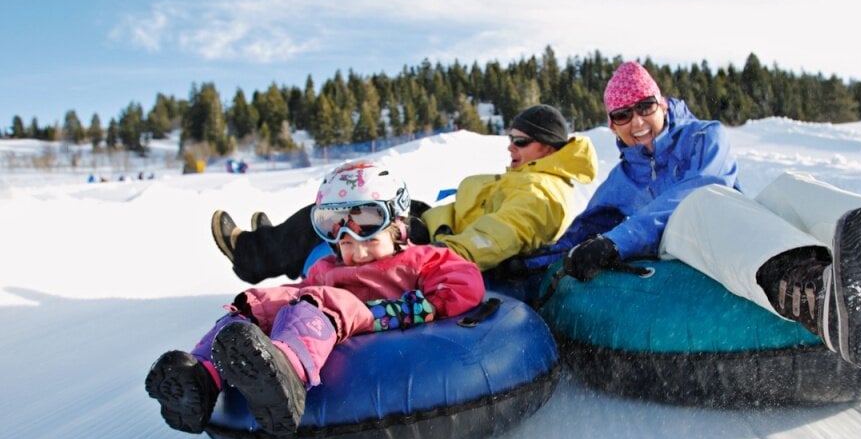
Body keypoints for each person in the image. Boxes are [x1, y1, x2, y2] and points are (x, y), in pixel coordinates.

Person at [523, 61, 861, 366]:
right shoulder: (619, 182)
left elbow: (706, 184)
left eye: (643, 107)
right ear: (610, 125)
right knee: (701, 206)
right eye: (621, 116)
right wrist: (540, 266)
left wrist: (620, 238)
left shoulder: (705, 136)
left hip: (730, 223)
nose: (636, 123)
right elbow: (580, 237)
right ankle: (820, 296)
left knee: (789, 188)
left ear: (663, 103)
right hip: (691, 243)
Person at [145, 162, 486, 436]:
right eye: (335, 225)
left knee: (317, 301)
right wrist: (262, 307)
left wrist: (410, 309)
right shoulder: (328, 266)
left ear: (397, 224)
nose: (353, 239)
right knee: (260, 301)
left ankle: (285, 374)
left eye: (367, 221)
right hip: (322, 309)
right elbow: (301, 294)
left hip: (367, 315)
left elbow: (463, 283)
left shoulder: (422, 258)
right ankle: (202, 376)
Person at [210, 104, 598, 285]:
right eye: (510, 139)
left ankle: (252, 253)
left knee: (350, 209)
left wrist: (444, 255)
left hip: (441, 240)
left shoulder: (542, 192)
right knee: (357, 197)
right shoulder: (533, 174)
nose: (510, 147)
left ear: (548, 146)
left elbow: (500, 234)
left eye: (520, 141)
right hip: (437, 220)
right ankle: (282, 242)